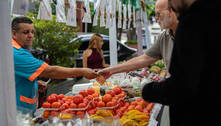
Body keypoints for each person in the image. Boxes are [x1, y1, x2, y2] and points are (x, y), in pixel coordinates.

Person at [141, 0, 220, 126]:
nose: (171, 5)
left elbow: (182, 86)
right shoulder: (210, 15)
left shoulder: (192, 23)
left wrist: (147, 91)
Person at [99, 0, 178, 125]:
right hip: (176, 99)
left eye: (158, 14)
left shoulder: (192, 34)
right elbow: (143, 59)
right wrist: (111, 70)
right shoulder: (164, 36)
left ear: (172, 11)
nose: (156, 18)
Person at [11, 16, 98, 114]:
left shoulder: (15, 49)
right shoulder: (17, 53)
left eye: (32, 32)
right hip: (16, 114)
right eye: (26, 32)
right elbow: (50, 71)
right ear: (14, 34)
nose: (31, 35)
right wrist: (82, 71)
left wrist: (35, 84)